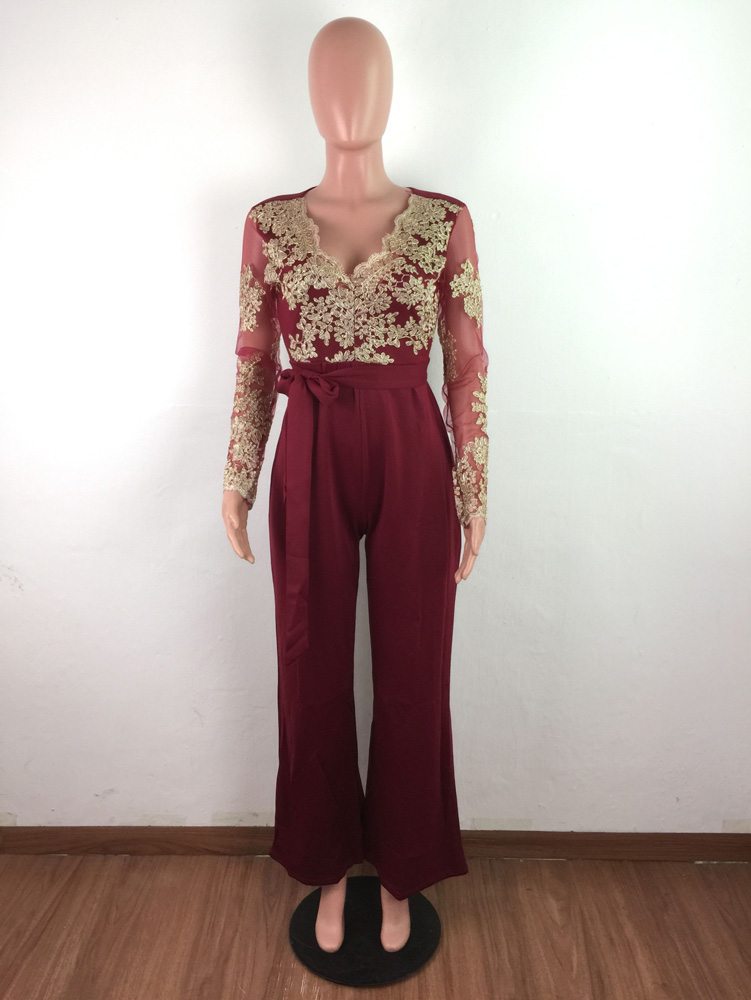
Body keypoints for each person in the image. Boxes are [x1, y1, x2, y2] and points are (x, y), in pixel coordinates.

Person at [222, 17, 488, 954]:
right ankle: (328, 867)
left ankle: (404, 869)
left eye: (365, 76)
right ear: (308, 93)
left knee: (415, 668)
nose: (349, 99)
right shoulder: (268, 224)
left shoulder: (443, 220)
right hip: (310, 444)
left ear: (390, 90)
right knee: (310, 665)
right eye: (332, 78)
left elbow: (465, 363)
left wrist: (474, 487)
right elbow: (254, 359)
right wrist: (238, 477)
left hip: (412, 447)